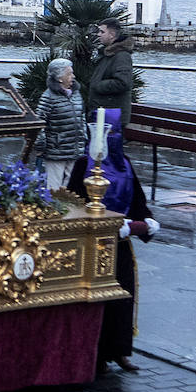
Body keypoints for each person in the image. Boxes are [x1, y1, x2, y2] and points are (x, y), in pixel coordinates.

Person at [67, 108, 158, 375]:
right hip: (93, 246)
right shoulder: (84, 165)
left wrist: (147, 222)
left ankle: (119, 350)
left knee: (123, 298)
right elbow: (72, 203)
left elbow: (138, 201)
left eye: (117, 133)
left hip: (121, 244)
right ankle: (95, 354)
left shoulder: (126, 164)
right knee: (95, 300)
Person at [36, 58, 87, 190]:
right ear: (59, 78)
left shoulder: (76, 94)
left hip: (75, 149)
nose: (73, 76)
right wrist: (41, 147)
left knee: (73, 187)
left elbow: (82, 117)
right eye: (69, 73)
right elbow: (39, 123)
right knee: (54, 188)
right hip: (56, 151)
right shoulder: (48, 97)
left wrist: (83, 137)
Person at [89, 18, 134, 126]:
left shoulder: (121, 56)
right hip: (104, 112)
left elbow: (123, 83)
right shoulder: (107, 54)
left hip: (112, 115)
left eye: (102, 32)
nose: (98, 35)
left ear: (112, 34)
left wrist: (97, 85)